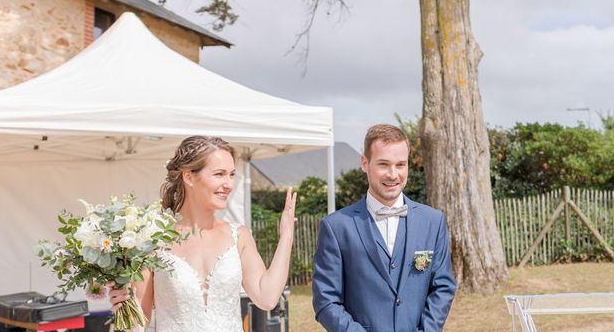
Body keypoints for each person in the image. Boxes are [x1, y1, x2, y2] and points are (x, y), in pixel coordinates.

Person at [108, 135, 296, 332]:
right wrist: (124, 307)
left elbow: (266, 298)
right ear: (188, 176)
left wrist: (286, 237)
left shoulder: (239, 235)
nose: (229, 184)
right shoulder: (153, 240)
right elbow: (138, 326)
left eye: (232, 174)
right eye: (219, 174)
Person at [313, 124, 456, 331]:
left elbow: (443, 288)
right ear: (365, 163)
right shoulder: (336, 227)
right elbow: (325, 301)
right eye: (383, 164)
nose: (393, 174)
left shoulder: (433, 222)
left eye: (400, 165)